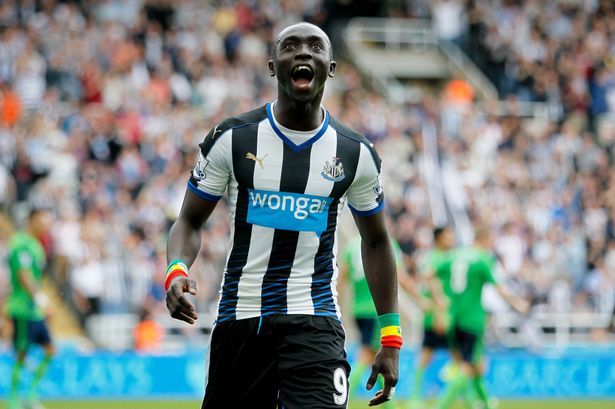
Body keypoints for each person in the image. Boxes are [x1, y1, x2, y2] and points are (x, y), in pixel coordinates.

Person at [165, 22, 401, 409]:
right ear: (273, 65)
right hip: (242, 318)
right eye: (291, 46)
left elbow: (376, 242)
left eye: (315, 46)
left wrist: (390, 338)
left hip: (315, 319)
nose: (303, 52)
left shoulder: (355, 153)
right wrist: (176, 269)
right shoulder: (232, 138)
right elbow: (188, 221)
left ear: (331, 66)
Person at [435, 227, 528, 409]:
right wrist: (519, 303)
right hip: (472, 319)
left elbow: (431, 275)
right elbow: (499, 288)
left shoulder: (454, 255)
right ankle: (441, 406)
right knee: (467, 366)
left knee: (476, 364)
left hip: (452, 318)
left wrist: (441, 302)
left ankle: (485, 404)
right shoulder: (482, 259)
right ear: (485, 239)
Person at [338, 235, 406, 408]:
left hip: (358, 310)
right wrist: (420, 299)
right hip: (376, 310)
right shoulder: (385, 241)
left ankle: (388, 404)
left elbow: (342, 278)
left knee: (376, 357)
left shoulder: (352, 246)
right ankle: (342, 395)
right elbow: (399, 275)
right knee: (369, 354)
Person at [6, 208, 54, 409]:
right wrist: (41, 298)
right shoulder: (22, 243)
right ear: (32, 220)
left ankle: (31, 394)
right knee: (21, 353)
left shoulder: (36, 245)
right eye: (43, 221)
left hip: (34, 309)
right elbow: (23, 275)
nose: (46, 225)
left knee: (50, 350)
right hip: (23, 308)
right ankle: (15, 400)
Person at [409, 226, 456, 408]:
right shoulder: (436, 258)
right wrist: (439, 310)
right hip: (440, 317)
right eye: (448, 235)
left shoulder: (440, 257)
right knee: (461, 359)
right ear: (439, 239)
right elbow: (429, 279)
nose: (451, 239)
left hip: (441, 315)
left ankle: (415, 398)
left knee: (428, 357)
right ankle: (471, 400)